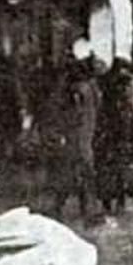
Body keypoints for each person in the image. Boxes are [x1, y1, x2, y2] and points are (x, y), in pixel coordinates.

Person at [39, 54, 105, 225]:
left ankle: (61, 208)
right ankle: (88, 211)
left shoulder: (76, 90)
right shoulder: (92, 88)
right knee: (84, 176)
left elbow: (73, 115)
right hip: (86, 137)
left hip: (75, 138)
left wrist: (60, 130)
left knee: (69, 174)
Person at [96, 57, 133, 216]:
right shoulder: (124, 100)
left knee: (107, 170)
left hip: (108, 137)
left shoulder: (105, 94)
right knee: (119, 170)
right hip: (120, 137)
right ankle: (119, 201)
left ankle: (108, 204)